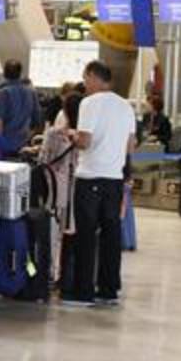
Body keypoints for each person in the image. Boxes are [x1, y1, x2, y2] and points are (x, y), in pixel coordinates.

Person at [62, 60, 135, 308]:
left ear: (93, 77)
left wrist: (71, 134)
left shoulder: (89, 103)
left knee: (86, 235)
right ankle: (109, 289)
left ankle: (83, 291)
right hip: (114, 179)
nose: (84, 83)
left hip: (90, 176)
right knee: (111, 235)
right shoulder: (125, 105)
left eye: (85, 77)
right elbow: (130, 145)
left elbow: (84, 141)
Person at [35, 93, 82, 282]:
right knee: (71, 233)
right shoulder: (85, 137)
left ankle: (49, 272)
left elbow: (43, 160)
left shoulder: (54, 133)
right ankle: (67, 275)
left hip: (54, 189)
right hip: (77, 189)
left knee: (53, 234)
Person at [0, 60, 42, 154]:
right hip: (24, 143)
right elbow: (37, 119)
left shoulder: (2, 93)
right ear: (20, 73)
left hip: (5, 144)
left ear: (4, 74)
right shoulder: (31, 92)